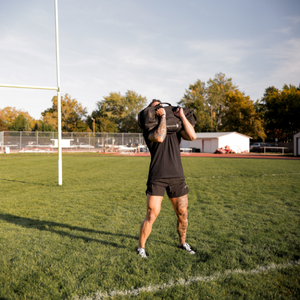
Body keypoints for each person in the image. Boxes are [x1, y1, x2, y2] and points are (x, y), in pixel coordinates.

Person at [137, 99, 197, 258]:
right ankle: (141, 247)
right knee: (151, 214)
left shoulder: (175, 128)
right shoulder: (149, 129)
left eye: (160, 106)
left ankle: (182, 242)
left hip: (177, 176)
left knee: (183, 214)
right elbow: (160, 137)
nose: (159, 108)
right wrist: (162, 117)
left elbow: (192, 136)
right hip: (157, 176)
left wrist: (182, 117)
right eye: (155, 107)